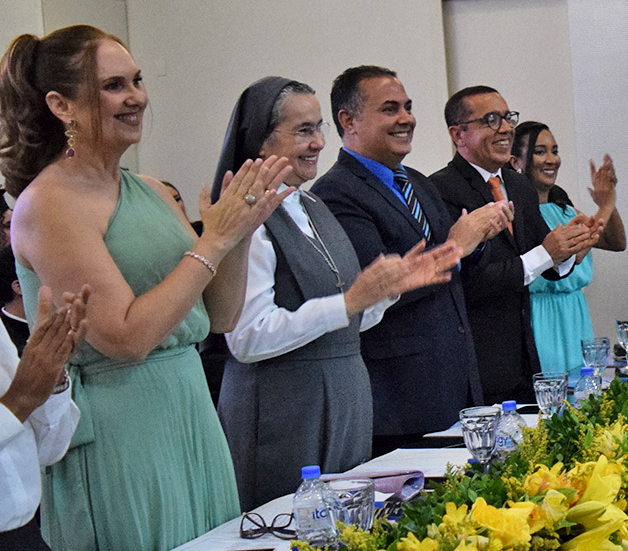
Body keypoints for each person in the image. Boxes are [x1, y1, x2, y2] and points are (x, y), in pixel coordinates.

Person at [0, 25, 289, 551]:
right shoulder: (50, 203)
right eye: (113, 85)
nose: (136, 97)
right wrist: (212, 242)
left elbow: (220, 317)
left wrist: (239, 235)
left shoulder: (153, 191)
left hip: (190, 410)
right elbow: (126, 337)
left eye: (136, 80)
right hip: (120, 426)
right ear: (61, 105)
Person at [214, 77, 460, 509]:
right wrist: (350, 301)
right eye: (303, 131)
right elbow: (247, 337)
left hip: (343, 406)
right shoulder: (244, 216)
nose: (319, 143)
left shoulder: (310, 205)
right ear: (262, 140)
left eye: (318, 128)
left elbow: (348, 318)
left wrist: (387, 291)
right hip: (285, 413)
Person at [312, 66, 509, 447]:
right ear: (348, 121)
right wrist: (456, 246)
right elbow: (376, 288)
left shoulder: (416, 181)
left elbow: (459, 274)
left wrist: (478, 240)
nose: (406, 119)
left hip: (458, 385)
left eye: (408, 107)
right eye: (390, 109)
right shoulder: (336, 193)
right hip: (400, 399)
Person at [431, 90, 599, 401]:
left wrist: (568, 248)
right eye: (491, 120)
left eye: (508, 118)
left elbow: (545, 257)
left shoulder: (518, 185)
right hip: (478, 362)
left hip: (526, 358)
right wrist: (547, 253)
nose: (506, 128)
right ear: (458, 134)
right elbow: (468, 281)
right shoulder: (441, 189)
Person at [511, 120, 625, 376]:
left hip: (575, 314)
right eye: (540, 152)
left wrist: (608, 203)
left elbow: (615, 242)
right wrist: (605, 206)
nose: (552, 159)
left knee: (583, 391)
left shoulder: (562, 207)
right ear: (515, 161)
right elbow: (570, 258)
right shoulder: (517, 213)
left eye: (555, 151)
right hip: (541, 318)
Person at [0, 284, 85, 551]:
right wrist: (19, 401)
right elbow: (17, 404)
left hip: (25, 550)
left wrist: (52, 373)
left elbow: (48, 449)